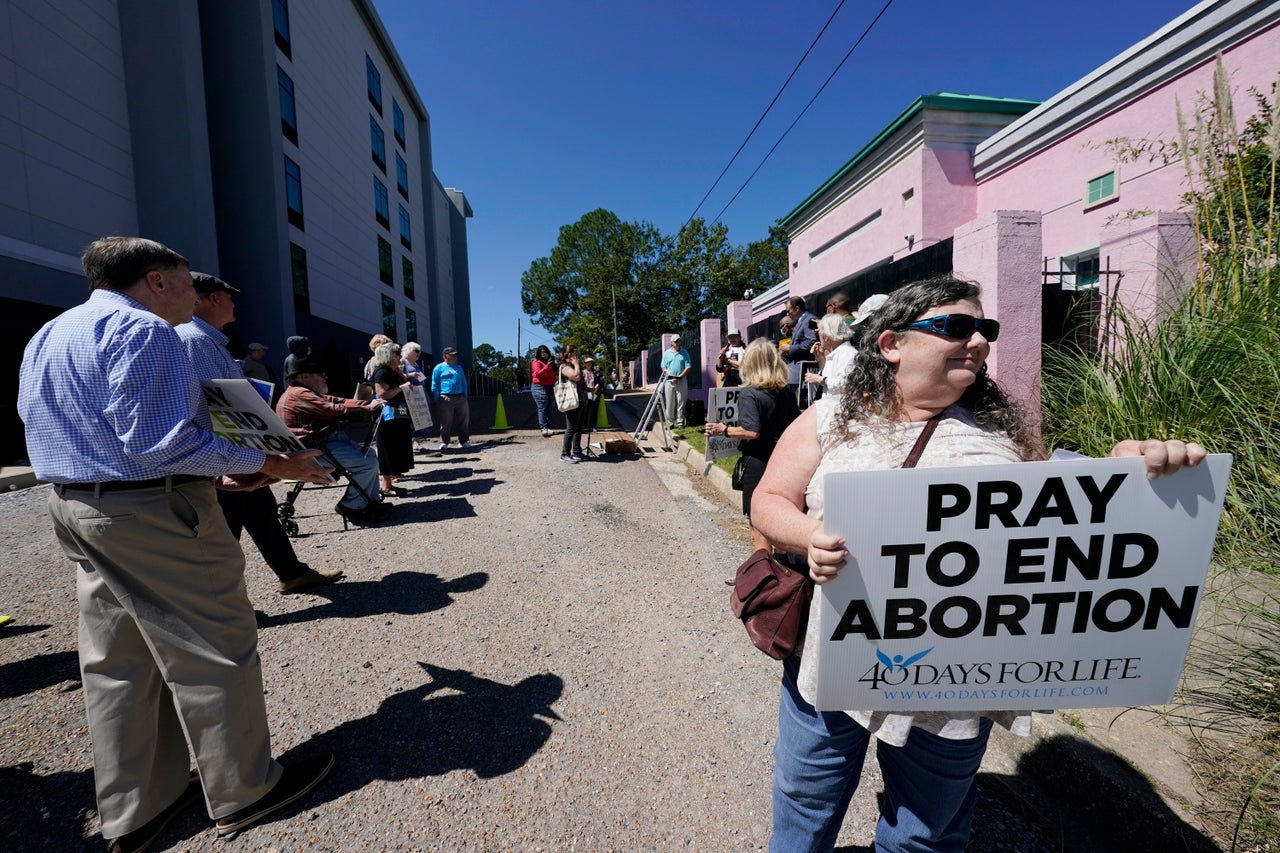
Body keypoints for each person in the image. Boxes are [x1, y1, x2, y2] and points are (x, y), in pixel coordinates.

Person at [750, 276, 1206, 852]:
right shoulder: (830, 420)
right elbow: (768, 501)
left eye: (984, 330)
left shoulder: (1005, 435)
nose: (979, 342)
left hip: (955, 687)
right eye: (955, 327)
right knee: (805, 806)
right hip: (832, 665)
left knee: (926, 834)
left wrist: (1128, 474)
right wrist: (810, 535)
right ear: (891, 343)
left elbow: (1069, 510)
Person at [17, 237, 336, 850]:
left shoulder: (48, 334)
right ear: (157, 281)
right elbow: (164, 444)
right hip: (155, 508)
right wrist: (274, 465)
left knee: (117, 663)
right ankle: (245, 789)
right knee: (215, 645)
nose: (198, 292)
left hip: (75, 506)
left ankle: (137, 809)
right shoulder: (146, 331)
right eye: (189, 281)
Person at [176, 273, 343, 594]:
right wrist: (258, 459)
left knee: (260, 509)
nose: (234, 302)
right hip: (224, 456)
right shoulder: (195, 340)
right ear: (212, 298)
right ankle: (221, 606)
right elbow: (220, 406)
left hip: (234, 451)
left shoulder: (208, 340)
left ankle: (292, 573)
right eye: (229, 296)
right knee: (224, 532)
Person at [705, 338, 799, 553]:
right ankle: (783, 572)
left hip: (758, 462)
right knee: (781, 517)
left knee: (758, 523)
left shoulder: (749, 393)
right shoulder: (785, 391)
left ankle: (762, 574)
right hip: (783, 461)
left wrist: (724, 430)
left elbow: (751, 431)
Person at [277, 356, 391, 524]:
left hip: (317, 445)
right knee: (367, 463)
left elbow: (334, 400)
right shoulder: (299, 394)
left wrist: (365, 403)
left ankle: (368, 500)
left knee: (370, 455)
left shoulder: (301, 392)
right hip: (312, 450)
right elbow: (332, 408)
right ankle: (351, 506)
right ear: (304, 376)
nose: (325, 377)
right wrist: (366, 407)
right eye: (321, 374)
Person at [370, 342, 414, 494]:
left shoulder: (394, 371)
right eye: (397, 354)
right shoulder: (382, 372)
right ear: (389, 356)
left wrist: (401, 375)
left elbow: (404, 382)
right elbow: (382, 394)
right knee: (387, 450)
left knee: (396, 449)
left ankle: (389, 484)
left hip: (398, 415)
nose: (400, 356)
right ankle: (386, 486)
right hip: (386, 418)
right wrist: (402, 387)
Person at [803, 313, 858, 401]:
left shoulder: (847, 353)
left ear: (825, 337)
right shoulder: (837, 353)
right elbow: (828, 377)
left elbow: (845, 384)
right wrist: (820, 358)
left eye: (819, 333)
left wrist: (819, 379)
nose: (818, 337)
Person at [431, 346, 471, 450]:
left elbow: (464, 382)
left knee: (464, 420)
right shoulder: (439, 368)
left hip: (460, 396)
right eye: (452, 355)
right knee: (445, 422)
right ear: (445, 356)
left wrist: (465, 396)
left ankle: (464, 441)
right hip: (445, 397)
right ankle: (444, 442)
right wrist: (437, 398)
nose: (455, 357)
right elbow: (434, 384)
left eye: (455, 355)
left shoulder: (459, 368)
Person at [780, 296, 819, 402]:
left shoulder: (809, 320)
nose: (787, 314)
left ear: (797, 308)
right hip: (794, 374)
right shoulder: (799, 322)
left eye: (788, 311)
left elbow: (812, 342)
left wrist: (790, 348)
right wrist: (787, 352)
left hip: (800, 375)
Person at [557, 345, 590, 463]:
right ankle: (564, 454)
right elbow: (576, 377)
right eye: (575, 354)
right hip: (572, 401)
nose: (577, 356)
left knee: (579, 428)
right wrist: (576, 364)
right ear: (569, 355)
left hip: (580, 400)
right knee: (571, 428)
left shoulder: (571, 366)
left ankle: (577, 452)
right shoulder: (564, 367)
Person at [400, 342, 430, 451]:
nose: (418, 353)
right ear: (408, 351)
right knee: (410, 421)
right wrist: (410, 375)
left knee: (419, 421)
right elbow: (397, 376)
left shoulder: (416, 364)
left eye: (419, 351)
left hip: (419, 395)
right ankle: (408, 444)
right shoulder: (402, 362)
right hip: (408, 396)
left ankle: (416, 443)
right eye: (416, 351)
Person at [660, 335, 692, 429]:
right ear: (672, 343)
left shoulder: (684, 352)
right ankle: (670, 422)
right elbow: (663, 367)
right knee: (670, 402)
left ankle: (680, 421)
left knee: (681, 401)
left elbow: (688, 367)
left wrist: (679, 377)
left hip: (682, 381)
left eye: (679, 341)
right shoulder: (667, 353)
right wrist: (669, 374)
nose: (678, 342)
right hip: (669, 381)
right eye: (676, 341)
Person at [530, 344, 557, 437]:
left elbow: (554, 375)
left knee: (550, 408)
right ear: (539, 353)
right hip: (539, 386)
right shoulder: (536, 362)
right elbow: (538, 374)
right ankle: (543, 428)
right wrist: (546, 367)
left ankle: (548, 427)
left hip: (550, 386)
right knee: (542, 407)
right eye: (542, 352)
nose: (544, 354)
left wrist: (553, 366)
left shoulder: (551, 363)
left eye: (545, 352)